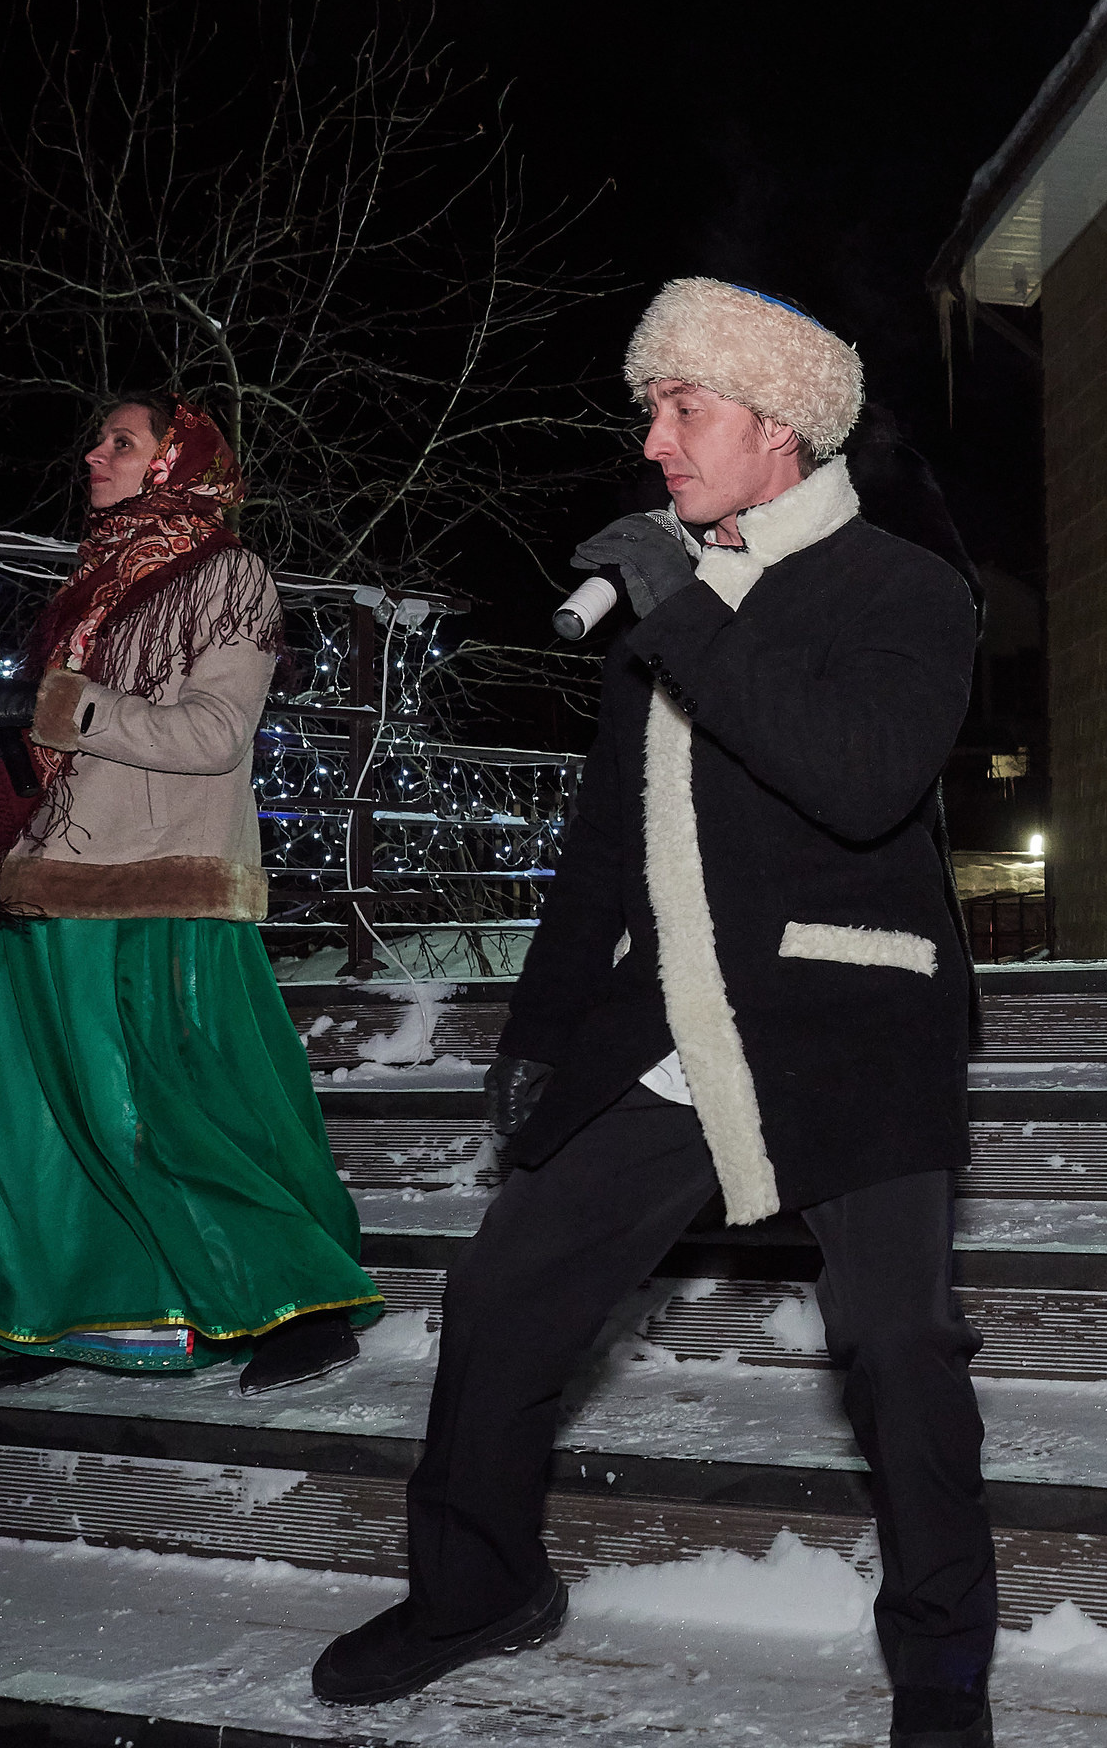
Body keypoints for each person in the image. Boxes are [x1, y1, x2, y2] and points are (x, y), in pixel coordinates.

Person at [312, 280, 998, 1748]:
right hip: (673, 1021)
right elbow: (608, 852)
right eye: (652, 410)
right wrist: (544, 1033)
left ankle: (942, 1662)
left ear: (780, 430)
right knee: (502, 1299)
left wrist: (686, 612)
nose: (655, 443)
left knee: (894, 1345)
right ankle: (474, 1592)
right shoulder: (655, 615)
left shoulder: (906, 591)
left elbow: (861, 778)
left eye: (684, 411)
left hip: (851, 1016)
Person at [0, 397, 379, 1394]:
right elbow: (64, 743)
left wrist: (66, 705)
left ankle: (299, 1299)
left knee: (177, 1106)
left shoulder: (227, 573)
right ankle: (63, 1309)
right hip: (39, 878)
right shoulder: (93, 580)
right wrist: (11, 731)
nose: (93, 453)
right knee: (23, 1107)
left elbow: (215, 735)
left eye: (120, 441)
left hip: (153, 881)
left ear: (176, 463)